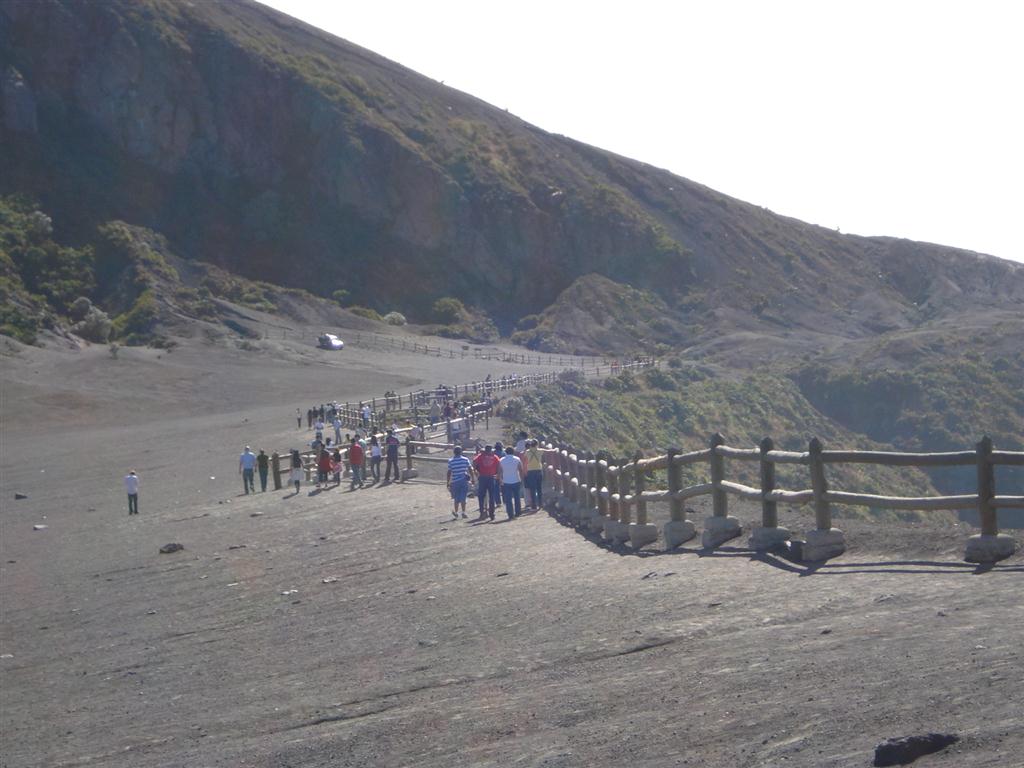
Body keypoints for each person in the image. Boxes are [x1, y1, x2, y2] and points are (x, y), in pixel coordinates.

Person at [472, 444, 500, 521]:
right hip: (491, 477)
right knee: (492, 496)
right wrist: (498, 475)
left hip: (482, 477)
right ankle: (492, 514)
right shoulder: (495, 457)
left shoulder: (480, 456)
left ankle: (482, 512)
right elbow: (499, 466)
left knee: (481, 496)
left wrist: (476, 472)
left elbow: (474, 462)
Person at [446, 446, 474, 518]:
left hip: (455, 481)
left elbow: (449, 472)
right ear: (461, 452)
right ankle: (463, 512)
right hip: (463, 480)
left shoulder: (451, 461)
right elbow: (470, 469)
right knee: (463, 496)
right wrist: (473, 478)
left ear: (454, 452)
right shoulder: (465, 459)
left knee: (456, 497)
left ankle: (456, 512)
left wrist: (448, 482)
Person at [498, 445, 524, 519]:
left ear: (505, 452)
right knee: (517, 497)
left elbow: (499, 471)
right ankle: (518, 512)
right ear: (513, 452)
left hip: (506, 481)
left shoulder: (501, 460)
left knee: (508, 499)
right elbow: (520, 470)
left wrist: (500, 480)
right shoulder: (517, 459)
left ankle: (510, 514)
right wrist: (522, 479)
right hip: (516, 480)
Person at [523, 440, 544, 510]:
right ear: (537, 444)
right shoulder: (540, 451)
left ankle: (534, 505)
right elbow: (549, 451)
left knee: (532, 489)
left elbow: (525, 460)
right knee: (539, 488)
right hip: (539, 470)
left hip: (530, 471)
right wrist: (555, 449)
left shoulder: (527, 452)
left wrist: (525, 471)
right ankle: (541, 504)